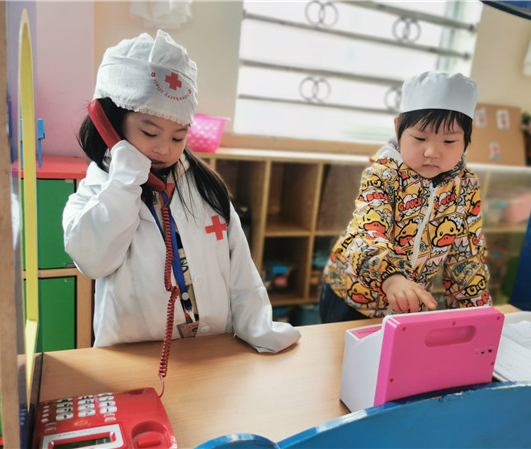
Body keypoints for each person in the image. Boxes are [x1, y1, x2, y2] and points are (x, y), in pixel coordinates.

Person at [63, 30, 300, 354]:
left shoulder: (206, 188)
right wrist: (124, 183)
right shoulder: (96, 191)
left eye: (178, 137)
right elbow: (93, 261)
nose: (164, 149)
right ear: (112, 122)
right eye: (150, 132)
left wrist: (258, 329)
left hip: (211, 348)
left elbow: (241, 270)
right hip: (135, 356)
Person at [320, 71, 491, 323]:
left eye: (449, 141)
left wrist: (473, 313)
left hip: (409, 306)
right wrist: (390, 278)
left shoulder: (465, 186)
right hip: (353, 297)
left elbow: (467, 255)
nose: (432, 151)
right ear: (398, 128)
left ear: (466, 139)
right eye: (420, 138)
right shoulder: (383, 174)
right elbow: (367, 230)